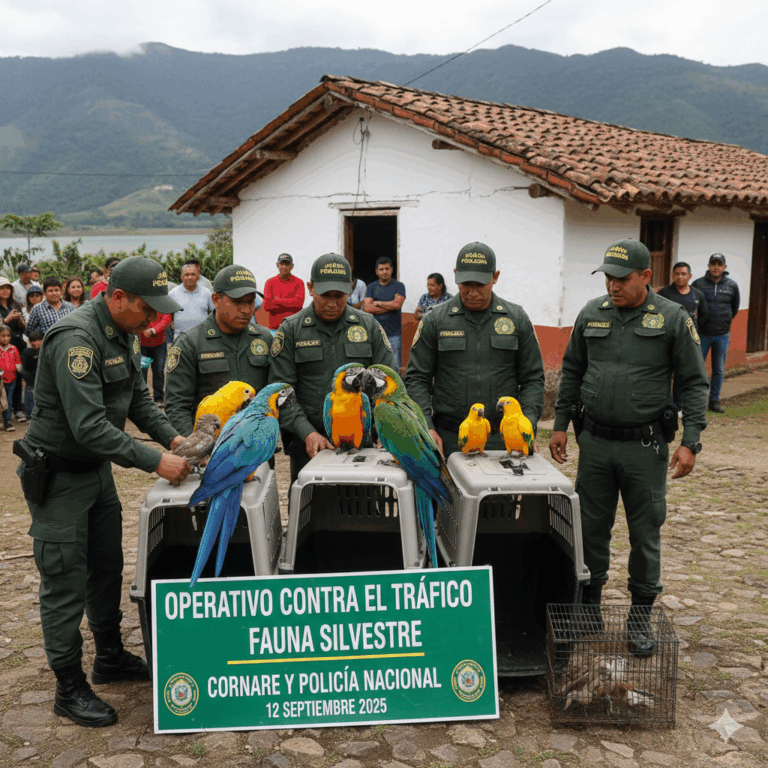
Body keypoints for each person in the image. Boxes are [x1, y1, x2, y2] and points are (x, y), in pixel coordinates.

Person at [19, 255, 190, 728]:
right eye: (147, 308)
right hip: (59, 479)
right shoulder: (76, 339)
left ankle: (109, 656)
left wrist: (174, 439)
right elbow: (90, 426)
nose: (155, 318)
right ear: (118, 298)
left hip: (95, 475)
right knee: (65, 580)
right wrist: (157, 461)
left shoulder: (124, 333)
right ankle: (68, 685)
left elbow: (138, 400)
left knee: (106, 568)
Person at [549, 238, 708, 655]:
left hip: (645, 446)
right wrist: (561, 424)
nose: (613, 286)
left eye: (621, 278)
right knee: (589, 528)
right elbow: (572, 370)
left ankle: (640, 614)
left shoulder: (672, 318)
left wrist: (691, 441)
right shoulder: (591, 314)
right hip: (596, 443)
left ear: (645, 277)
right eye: (607, 278)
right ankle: (591, 604)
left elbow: (693, 382)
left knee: (645, 531)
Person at [405, 242, 545, 457]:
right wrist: (427, 426)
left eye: (480, 284)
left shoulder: (516, 318)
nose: (472, 292)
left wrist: (528, 425)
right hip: (449, 437)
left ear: (495, 277)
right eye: (465, 283)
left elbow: (532, 378)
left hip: (504, 438)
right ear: (455, 276)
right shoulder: (435, 320)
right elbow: (417, 379)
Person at [269, 253, 395, 483]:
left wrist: (382, 430)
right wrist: (307, 432)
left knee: (363, 509)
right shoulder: (291, 330)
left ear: (350, 289)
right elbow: (282, 393)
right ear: (310, 288)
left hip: (362, 445)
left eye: (340, 295)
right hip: (310, 446)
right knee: (311, 513)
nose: (332, 303)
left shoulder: (368, 326)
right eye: (326, 295)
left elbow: (388, 384)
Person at [165, 265, 273, 437]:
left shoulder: (264, 339)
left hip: (255, 448)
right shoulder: (190, 343)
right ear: (215, 300)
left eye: (250, 301)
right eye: (237, 302)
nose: (246, 310)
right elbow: (177, 406)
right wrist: (196, 447)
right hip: (211, 450)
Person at [692, 254, 741, 413]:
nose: (716, 267)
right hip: (702, 334)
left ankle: (714, 401)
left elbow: (734, 308)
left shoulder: (732, 286)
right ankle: (696, 400)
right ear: (708, 266)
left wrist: (724, 321)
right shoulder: (698, 284)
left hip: (722, 335)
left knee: (718, 370)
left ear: (724, 267)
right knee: (697, 368)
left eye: (719, 264)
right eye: (713, 264)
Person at [658, 262, 708, 411]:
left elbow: (704, 316)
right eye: (677, 274)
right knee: (664, 373)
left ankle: (679, 405)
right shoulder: (664, 294)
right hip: (665, 341)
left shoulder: (697, 294)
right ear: (672, 275)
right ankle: (663, 403)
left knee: (682, 374)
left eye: (683, 274)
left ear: (690, 276)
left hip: (687, 342)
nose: (680, 277)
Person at [363, 257, 406, 369]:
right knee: (376, 365)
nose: (384, 271)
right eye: (381, 269)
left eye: (387, 268)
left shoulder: (399, 286)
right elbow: (367, 308)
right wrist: (390, 306)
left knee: (394, 365)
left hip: (394, 334)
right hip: (375, 334)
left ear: (392, 269)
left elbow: (397, 305)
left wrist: (377, 303)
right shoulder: (371, 287)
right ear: (377, 271)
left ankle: (395, 387)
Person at [0, 276, 28, 423]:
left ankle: (17, 409)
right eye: (2, 288)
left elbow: (24, 328)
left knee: (17, 377)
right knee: (3, 380)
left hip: (17, 346)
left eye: (8, 288)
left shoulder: (15, 305)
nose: (5, 291)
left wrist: (18, 319)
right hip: (2, 349)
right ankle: (5, 411)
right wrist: (6, 320)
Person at [168, 263, 214, 341]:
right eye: (186, 275)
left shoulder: (207, 293)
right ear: (181, 277)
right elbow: (169, 315)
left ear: (198, 276)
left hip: (202, 337)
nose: (190, 277)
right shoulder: (173, 293)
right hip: (180, 338)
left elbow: (212, 313)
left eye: (193, 274)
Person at [262, 254, 305, 332]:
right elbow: (267, 306)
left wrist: (276, 301)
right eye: (282, 264)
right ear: (277, 265)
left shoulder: (299, 282)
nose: (284, 267)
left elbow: (298, 304)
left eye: (287, 264)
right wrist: (290, 303)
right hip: (274, 329)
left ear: (292, 266)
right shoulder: (270, 282)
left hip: (294, 328)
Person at [140, 311, 172, 406]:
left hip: (159, 345)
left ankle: (158, 398)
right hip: (143, 345)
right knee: (142, 371)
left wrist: (153, 330)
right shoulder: (141, 300)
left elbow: (166, 318)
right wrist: (143, 330)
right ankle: (142, 399)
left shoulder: (161, 302)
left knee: (158, 370)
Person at [0, 324, 22, 431]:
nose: (6, 338)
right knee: (2, 401)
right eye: (3, 336)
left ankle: (8, 421)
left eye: (8, 336)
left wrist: (21, 370)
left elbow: (18, 362)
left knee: (8, 401)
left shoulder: (13, 349)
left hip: (11, 379)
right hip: (0, 381)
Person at [20, 329, 43, 420]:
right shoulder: (27, 353)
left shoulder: (47, 351)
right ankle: (30, 416)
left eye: (37, 340)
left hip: (43, 381)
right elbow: (25, 368)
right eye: (32, 340)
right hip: (31, 381)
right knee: (29, 396)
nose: (34, 343)